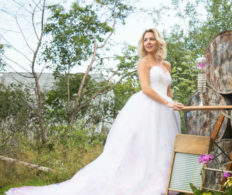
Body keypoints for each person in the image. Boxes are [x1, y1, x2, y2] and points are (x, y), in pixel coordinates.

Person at [6, 28, 184, 195]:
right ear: (142, 44)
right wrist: (166, 103)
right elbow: (146, 88)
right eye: (145, 40)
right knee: (145, 145)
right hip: (149, 107)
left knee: (163, 145)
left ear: (158, 41)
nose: (148, 42)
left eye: (152, 39)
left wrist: (172, 103)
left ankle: (163, 181)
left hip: (165, 109)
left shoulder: (166, 65)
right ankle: (142, 180)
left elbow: (167, 90)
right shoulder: (143, 63)